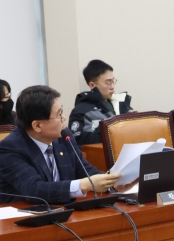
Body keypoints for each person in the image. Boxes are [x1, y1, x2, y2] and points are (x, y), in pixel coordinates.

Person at [0, 85, 135, 204]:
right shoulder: (10, 149)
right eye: (59, 115)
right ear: (37, 125)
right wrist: (83, 185)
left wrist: (113, 184)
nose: (64, 119)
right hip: (22, 222)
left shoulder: (63, 137)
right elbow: (34, 189)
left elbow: (86, 172)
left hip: (62, 213)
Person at [68, 60, 133, 146]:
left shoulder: (122, 104)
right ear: (92, 85)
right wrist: (110, 128)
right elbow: (79, 141)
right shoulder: (81, 111)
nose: (112, 87)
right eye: (108, 82)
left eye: (113, 81)